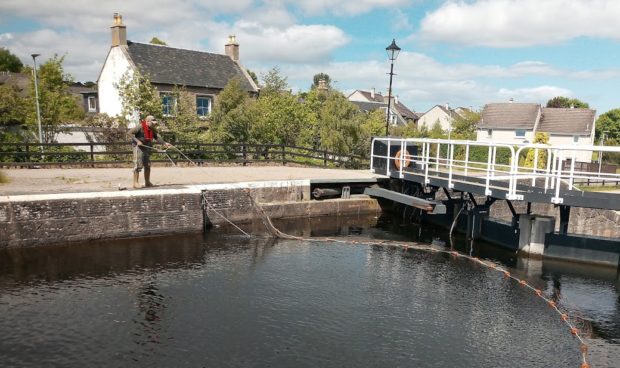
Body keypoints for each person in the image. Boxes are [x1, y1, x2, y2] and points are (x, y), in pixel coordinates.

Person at [129, 115, 171, 188]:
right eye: (153, 122)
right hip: (138, 147)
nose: (154, 124)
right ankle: (135, 183)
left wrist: (164, 143)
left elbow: (157, 137)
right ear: (147, 121)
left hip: (146, 147)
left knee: (147, 165)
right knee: (138, 165)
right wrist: (137, 141)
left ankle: (147, 182)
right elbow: (129, 133)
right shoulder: (140, 127)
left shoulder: (152, 129)